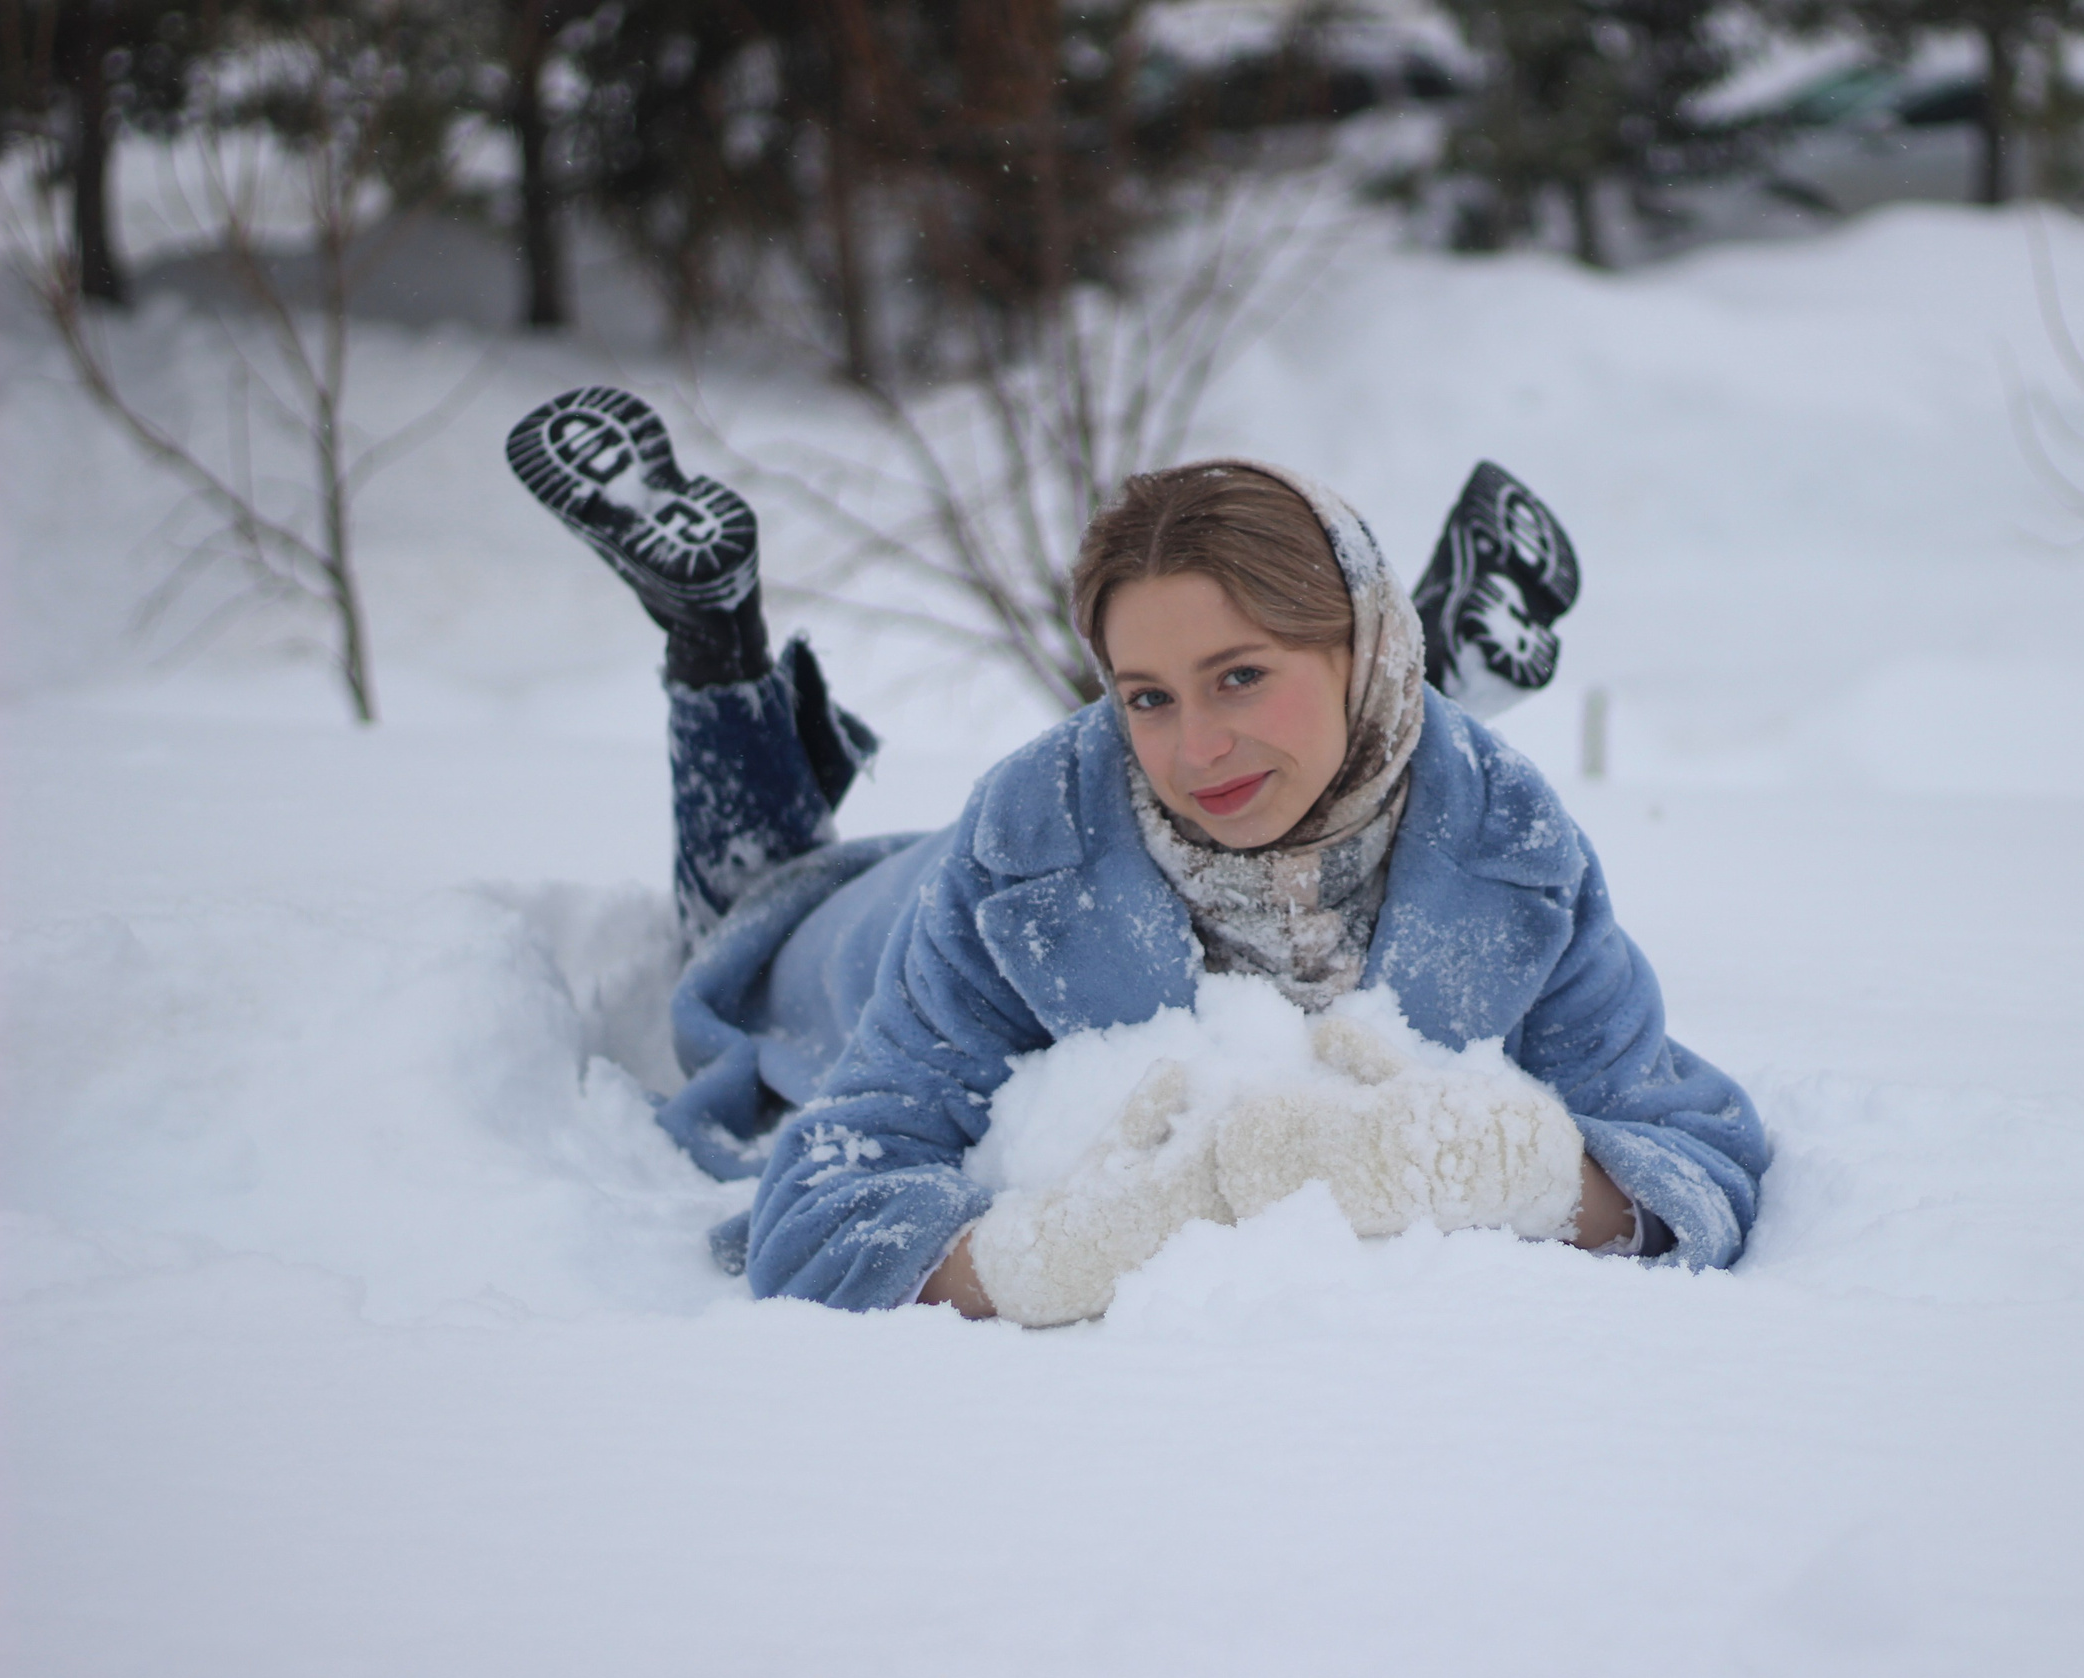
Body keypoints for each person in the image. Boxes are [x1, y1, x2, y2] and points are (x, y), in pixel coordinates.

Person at [507, 387, 1766, 1321]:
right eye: (1146, 695)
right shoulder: (1018, 860)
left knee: (1307, 775)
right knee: (749, 908)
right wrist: (1077, 1248)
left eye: (1238, 676)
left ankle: (1388, 680)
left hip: (1340, 761)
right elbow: (822, 1214)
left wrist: (1497, 1169)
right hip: (881, 915)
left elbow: (1694, 1157)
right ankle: (715, 646)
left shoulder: (1506, 844)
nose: (1194, 747)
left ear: (1361, 651)